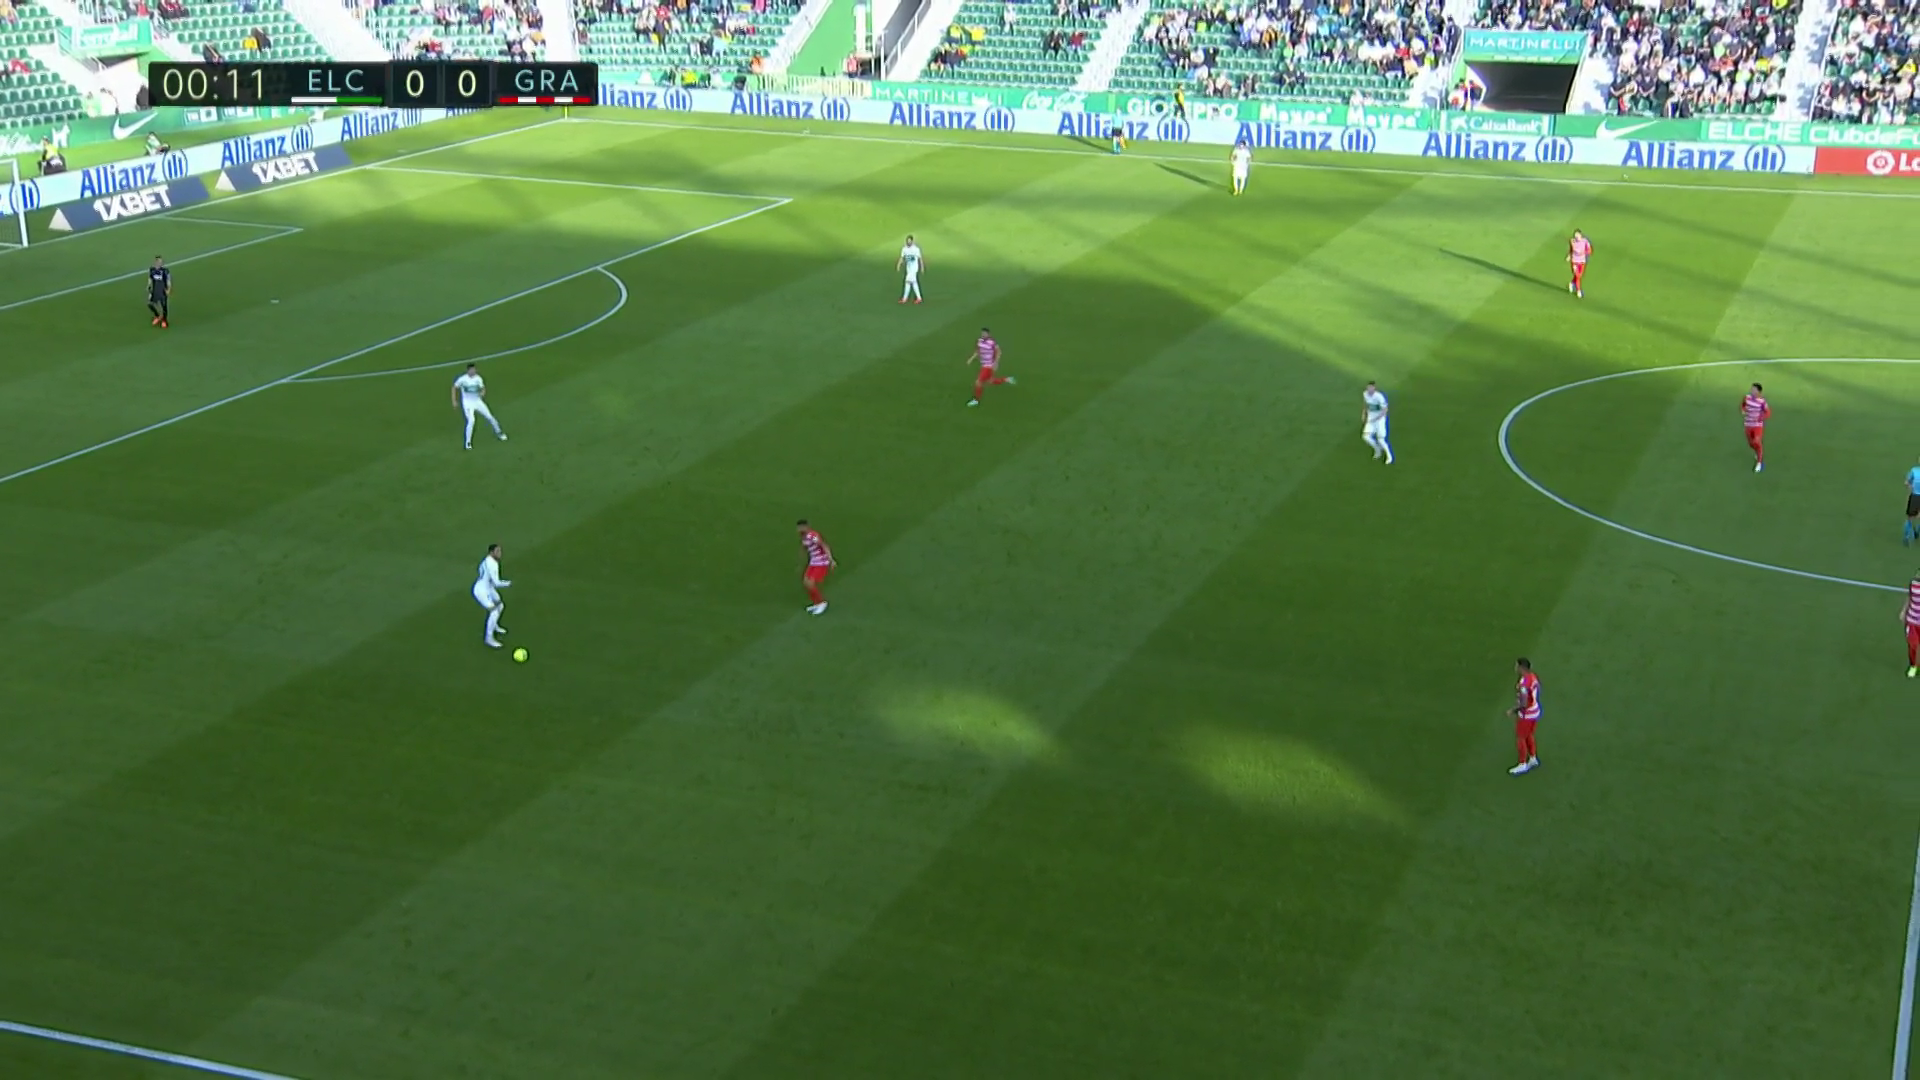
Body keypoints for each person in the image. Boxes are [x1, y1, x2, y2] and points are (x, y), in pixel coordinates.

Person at [450, 363, 508, 449]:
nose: (473, 371)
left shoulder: (478, 378)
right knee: (471, 421)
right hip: (468, 403)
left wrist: (483, 392)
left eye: (474, 369)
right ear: (468, 370)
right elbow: (454, 387)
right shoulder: (462, 379)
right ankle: (468, 442)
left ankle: (499, 432)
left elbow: (482, 388)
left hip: (477, 401)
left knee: (490, 417)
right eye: (472, 370)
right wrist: (454, 401)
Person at [472, 543, 511, 648]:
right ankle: (488, 638)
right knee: (494, 611)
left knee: (500, 605)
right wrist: (508, 583)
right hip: (481, 591)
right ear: (491, 552)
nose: (500, 553)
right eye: (497, 551)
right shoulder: (493, 564)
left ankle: (494, 625)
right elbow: (497, 583)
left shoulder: (486, 560)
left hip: (487, 587)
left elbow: (481, 572)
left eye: (500, 551)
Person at [1507, 658, 1541, 775]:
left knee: (1521, 737)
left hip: (1527, 715)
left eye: (1517, 665)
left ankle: (1522, 764)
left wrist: (1513, 710)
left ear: (1522, 667)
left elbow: (1524, 703)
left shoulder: (1524, 683)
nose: (1515, 668)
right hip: (1535, 711)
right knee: (1529, 735)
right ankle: (1533, 758)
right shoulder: (1533, 677)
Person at [967, 327, 1013, 406]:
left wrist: (996, 363)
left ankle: (976, 400)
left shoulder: (992, 342)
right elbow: (977, 351)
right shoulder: (979, 341)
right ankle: (1006, 379)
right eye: (982, 333)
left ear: (988, 334)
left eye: (985, 333)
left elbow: (999, 352)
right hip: (983, 365)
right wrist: (971, 359)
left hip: (988, 366)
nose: (983, 335)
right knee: (990, 381)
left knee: (978, 382)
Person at [797, 519, 834, 615]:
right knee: (806, 582)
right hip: (813, 562)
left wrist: (830, 559)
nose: (800, 529)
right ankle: (816, 603)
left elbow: (823, 545)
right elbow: (805, 548)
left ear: (807, 526)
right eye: (799, 527)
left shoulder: (812, 535)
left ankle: (822, 603)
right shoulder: (803, 537)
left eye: (802, 527)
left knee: (810, 583)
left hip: (821, 562)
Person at [1361, 380, 1392, 463]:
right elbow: (1365, 404)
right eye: (1368, 387)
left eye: (1371, 388)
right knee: (1366, 437)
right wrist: (1364, 414)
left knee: (1381, 439)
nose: (1369, 389)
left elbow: (1385, 409)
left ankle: (1389, 456)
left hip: (1380, 420)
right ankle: (1377, 449)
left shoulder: (1379, 397)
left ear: (1374, 388)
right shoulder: (1365, 394)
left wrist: (1377, 418)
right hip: (1371, 418)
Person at [1741, 382, 1768, 473]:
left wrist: (1761, 417)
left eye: (1754, 389)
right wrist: (1743, 410)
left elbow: (1768, 412)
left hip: (1757, 425)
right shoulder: (1747, 398)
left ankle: (1759, 463)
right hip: (1748, 424)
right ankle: (1758, 452)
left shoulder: (1762, 401)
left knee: (1756, 441)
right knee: (1751, 444)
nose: (1751, 390)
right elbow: (1743, 405)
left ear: (1758, 391)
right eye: (1751, 389)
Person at [897, 234, 923, 304]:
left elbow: (920, 259)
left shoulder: (916, 249)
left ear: (912, 241)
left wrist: (922, 267)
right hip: (908, 269)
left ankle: (905, 298)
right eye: (907, 241)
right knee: (912, 282)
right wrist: (899, 265)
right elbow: (902, 257)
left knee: (908, 281)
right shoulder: (904, 249)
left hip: (914, 268)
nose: (908, 242)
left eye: (910, 241)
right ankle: (918, 298)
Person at [146, 255, 170, 328]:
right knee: (150, 304)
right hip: (155, 290)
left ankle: (164, 320)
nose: (160, 263)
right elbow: (150, 278)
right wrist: (149, 286)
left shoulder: (165, 271)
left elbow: (168, 280)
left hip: (162, 290)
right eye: (158, 261)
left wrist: (168, 289)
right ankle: (157, 316)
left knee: (164, 306)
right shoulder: (152, 270)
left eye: (161, 262)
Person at [1568, 229, 1591, 298]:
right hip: (1574, 261)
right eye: (1575, 235)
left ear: (1580, 235)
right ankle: (1578, 291)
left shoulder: (1585, 241)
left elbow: (1589, 251)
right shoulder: (1572, 241)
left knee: (1579, 276)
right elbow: (1571, 249)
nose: (1576, 236)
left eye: (1577, 235)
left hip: (1582, 261)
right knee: (1577, 276)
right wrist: (1569, 256)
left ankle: (1572, 283)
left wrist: (1583, 252)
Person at [1903, 456, 1920, 545]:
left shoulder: (1914, 470)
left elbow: (1906, 483)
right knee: (1912, 517)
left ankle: (1906, 537)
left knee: (1910, 518)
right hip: (1915, 496)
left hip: (1914, 497)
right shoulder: (1914, 470)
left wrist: (1910, 487)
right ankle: (1916, 532)